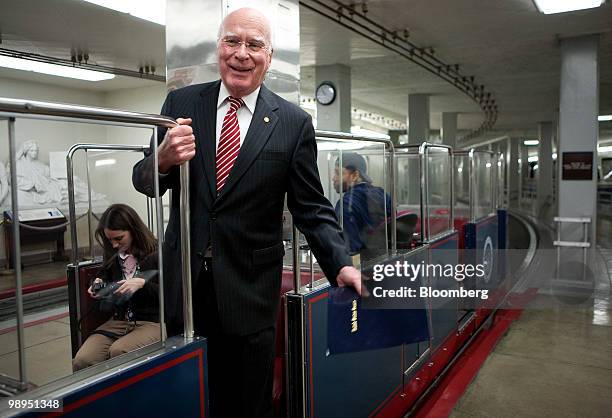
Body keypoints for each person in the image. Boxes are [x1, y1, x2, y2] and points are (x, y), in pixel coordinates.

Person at [132, 7, 361, 417]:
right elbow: (144, 180)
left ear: (269, 57)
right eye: (232, 41)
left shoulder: (292, 123)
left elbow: (311, 207)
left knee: (247, 404)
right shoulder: (181, 103)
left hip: (250, 293)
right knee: (189, 397)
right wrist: (163, 158)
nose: (242, 53)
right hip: (185, 291)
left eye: (254, 45)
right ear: (218, 47)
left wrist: (340, 262)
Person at [72, 204, 161, 371]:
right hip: (120, 320)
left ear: (134, 231)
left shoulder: (159, 254)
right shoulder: (116, 255)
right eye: (109, 240)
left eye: (118, 239)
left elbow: (174, 293)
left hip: (153, 321)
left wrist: (143, 284)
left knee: (119, 352)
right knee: (83, 360)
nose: (113, 245)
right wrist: (97, 284)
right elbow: (104, 274)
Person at [333, 153, 392, 259]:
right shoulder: (382, 194)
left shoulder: (346, 204)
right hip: (384, 262)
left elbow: (350, 250)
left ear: (355, 175)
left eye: (338, 173)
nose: (333, 178)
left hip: (363, 269)